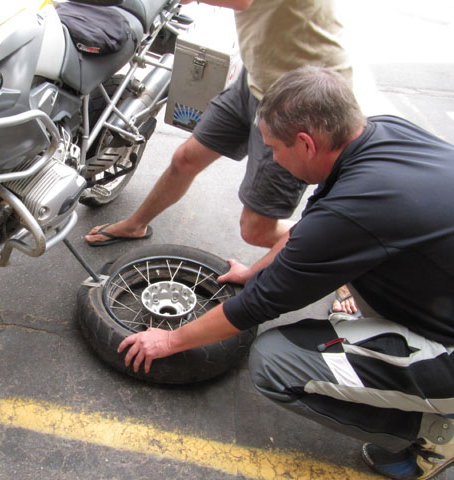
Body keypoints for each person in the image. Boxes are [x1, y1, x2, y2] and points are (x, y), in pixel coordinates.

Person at [118, 66, 454, 480]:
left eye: (274, 147)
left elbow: (256, 307)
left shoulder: (353, 213)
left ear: (307, 144)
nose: (272, 157)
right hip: (438, 282)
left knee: (274, 361)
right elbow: (306, 233)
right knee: (352, 283)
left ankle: (430, 435)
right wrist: (255, 270)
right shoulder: (382, 133)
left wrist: (169, 338)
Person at [84, 0, 359, 315]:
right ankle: (135, 225)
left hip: (304, 101)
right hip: (256, 78)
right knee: (185, 159)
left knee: (257, 229)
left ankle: (340, 249)